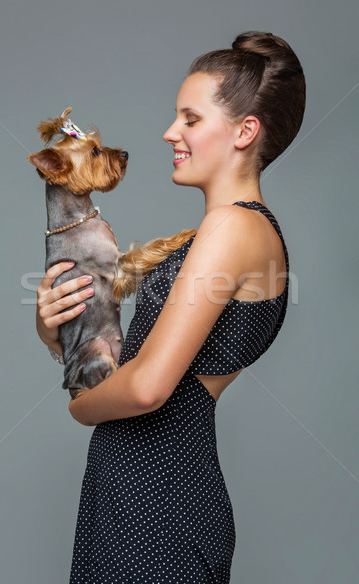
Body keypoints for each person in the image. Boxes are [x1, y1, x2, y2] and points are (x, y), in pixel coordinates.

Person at [36, 30, 305, 583]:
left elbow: (144, 387)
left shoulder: (232, 226)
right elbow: (128, 359)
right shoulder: (220, 232)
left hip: (157, 503)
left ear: (244, 131)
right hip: (138, 491)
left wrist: (78, 407)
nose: (169, 132)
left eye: (190, 118)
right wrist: (56, 329)